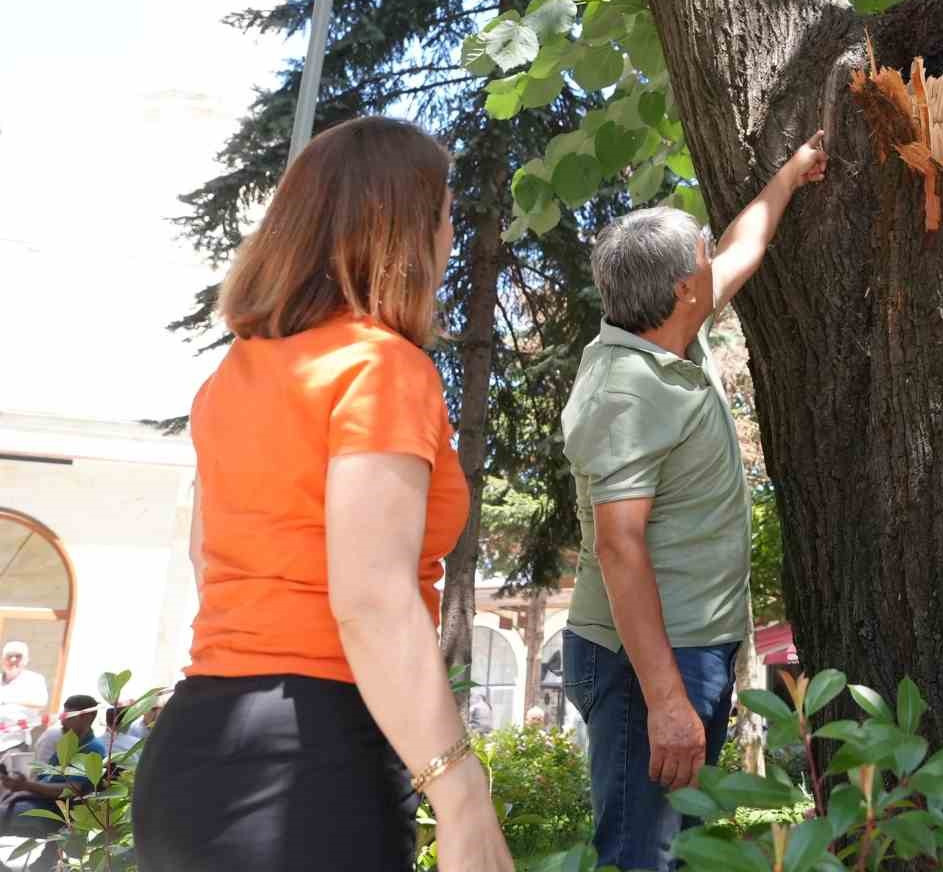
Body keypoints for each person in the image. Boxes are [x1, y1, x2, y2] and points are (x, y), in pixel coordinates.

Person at [131, 118, 512, 872]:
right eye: (443, 215)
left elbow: (210, 562)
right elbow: (371, 600)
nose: (448, 237)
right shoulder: (384, 369)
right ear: (401, 230)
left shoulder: (234, 375)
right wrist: (463, 797)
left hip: (194, 746)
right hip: (311, 758)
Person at [560, 131, 827, 872]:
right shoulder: (625, 390)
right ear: (683, 287)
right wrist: (666, 700)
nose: (713, 260)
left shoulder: (673, 339)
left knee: (674, 851)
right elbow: (619, 547)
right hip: (644, 660)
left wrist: (793, 175)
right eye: (699, 256)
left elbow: (741, 248)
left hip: (683, 650)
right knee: (644, 858)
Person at [0, 694, 102, 838]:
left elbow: (72, 790)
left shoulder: (92, 749)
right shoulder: (69, 743)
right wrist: (20, 782)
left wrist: (27, 786)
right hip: (40, 800)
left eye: (69, 716)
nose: (63, 720)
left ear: (87, 718)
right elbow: (45, 779)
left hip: (58, 811)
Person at [0, 643, 49, 736]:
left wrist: (7, 699)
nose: (13, 660)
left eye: (18, 656)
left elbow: (41, 702)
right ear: (3, 660)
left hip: (15, 741)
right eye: (9, 656)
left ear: (26, 660)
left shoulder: (34, 679)